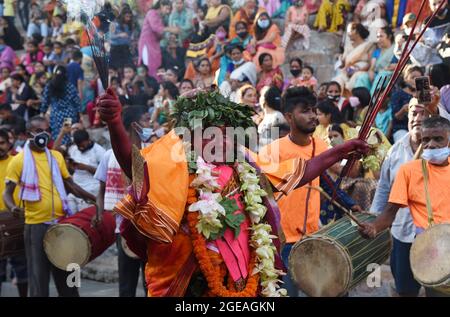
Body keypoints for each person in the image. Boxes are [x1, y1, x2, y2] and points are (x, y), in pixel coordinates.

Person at [95, 87, 369, 297]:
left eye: (228, 130)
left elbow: (298, 173)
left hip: (240, 278)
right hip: (188, 278)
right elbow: (133, 165)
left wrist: (340, 151)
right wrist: (115, 123)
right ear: (191, 134)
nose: (226, 137)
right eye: (216, 130)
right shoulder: (171, 159)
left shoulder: (244, 161)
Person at [259, 87, 362, 296]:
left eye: (314, 110)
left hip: (313, 236)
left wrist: (350, 205)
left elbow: (324, 180)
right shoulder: (272, 151)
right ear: (289, 116)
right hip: (282, 241)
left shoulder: (321, 145)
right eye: (305, 111)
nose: (313, 116)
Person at [3, 116, 96, 297]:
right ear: (26, 134)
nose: (43, 135)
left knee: (69, 275)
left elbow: (71, 185)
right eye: (39, 131)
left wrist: (94, 199)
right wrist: (13, 208)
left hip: (60, 225)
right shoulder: (18, 160)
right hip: (35, 226)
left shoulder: (56, 156)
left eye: (47, 130)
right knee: (39, 280)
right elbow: (7, 193)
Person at [360, 116, 450, 297]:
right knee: (406, 292)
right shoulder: (409, 171)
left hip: (446, 246)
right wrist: (374, 227)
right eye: (425, 140)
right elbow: (390, 211)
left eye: (438, 139)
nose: (430, 145)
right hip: (414, 244)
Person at [370, 100, 430, 297]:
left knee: (438, 289)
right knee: (405, 289)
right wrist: (374, 221)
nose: (418, 118)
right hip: (402, 232)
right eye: (413, 113)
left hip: (436, 235)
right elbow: (383, 189)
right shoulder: (395, 150)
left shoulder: (442, 149)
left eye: (424, 113)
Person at [94, 106, 148, 297]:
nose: (150, 124)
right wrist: (99, 212)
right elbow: (101, 190)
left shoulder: (151, 153)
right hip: (123, 227)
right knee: (127, 284)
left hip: (149, 228)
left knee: (151, 282)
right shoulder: (109, 155)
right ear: (136, 125)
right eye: (147, 119)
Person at [0, 128, 27, 297]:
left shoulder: (18, 162)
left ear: (9, 143)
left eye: (2, 143)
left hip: (16, 220)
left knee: (22, 268)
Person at [40, 65, 82, 145]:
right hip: (69, 115)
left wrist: (42, 112)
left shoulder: (49, 86)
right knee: (68, 133)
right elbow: (77, 101)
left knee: (58, 134)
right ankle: (68, 149)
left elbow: (45, 101)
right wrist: (80, 114)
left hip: (56, 115)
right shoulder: (70, 86)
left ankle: (59, 151)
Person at [67, 130, 106, 213]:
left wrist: (86, 168)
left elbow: (105, 173)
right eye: (78, 146)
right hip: (75, 188)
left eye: (83, 145)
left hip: (91, 190)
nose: (80, 148)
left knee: (84, 217)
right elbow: (70, 170)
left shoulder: (99, 151)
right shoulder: (73, 149)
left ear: (88, 140)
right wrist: (71, 165)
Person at [138, 0, 179, 77]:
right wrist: (171, 29)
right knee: (148, 65)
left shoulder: (159, 17)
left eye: (169, 9)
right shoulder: (152, 12)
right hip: (147, 44)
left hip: (155, 45)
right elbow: (156, 28)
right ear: (161, 5)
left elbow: (159, 33)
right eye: (167, 8)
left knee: (156, 64)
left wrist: (168, 37)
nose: (168, 11)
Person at [334, 23, 375, 93]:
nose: (348, 34)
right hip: (346, 72)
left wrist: (358, 70)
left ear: (357, 31)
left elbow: (370, 63)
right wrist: (341, 61)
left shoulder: (369, 45)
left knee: (357, 78)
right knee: (338, 80)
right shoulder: (348, 46)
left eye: (350, 31)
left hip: (361, 71)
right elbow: (343, 64)